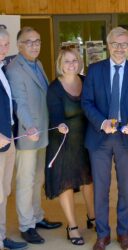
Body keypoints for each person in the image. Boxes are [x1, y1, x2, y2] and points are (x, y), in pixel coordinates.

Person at [81, 27, 128, 250]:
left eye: (124, 44)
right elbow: (87, 102)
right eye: (115, 44)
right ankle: (103, 234)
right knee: (101, 188)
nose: (120, 49)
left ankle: (123, 232)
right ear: (108, 45)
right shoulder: (95, 70)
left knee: (126, 189)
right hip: (99, 138)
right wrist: (102, 123)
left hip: (126, 138)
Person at [7, 26, 62, 245]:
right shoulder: (14, 69)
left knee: (38, 178)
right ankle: (26, 225)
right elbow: (19, 102)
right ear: (19, 45)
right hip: (28, 133)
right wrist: (29, 126)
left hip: (42, 131)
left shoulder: (37, 64)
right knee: (26, 181)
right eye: (29, 42)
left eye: (37, 41)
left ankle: (37, 217)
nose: (35, 45)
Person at [45, 46, 95, 245]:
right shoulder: (54, 88)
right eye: (66, 61)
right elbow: (56, 116)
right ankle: (72, 226)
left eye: (74, 60)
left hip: (86, 140)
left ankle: (92, 217)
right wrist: (61, 125)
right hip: (63, 142)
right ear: (60, 64)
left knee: (89, 182)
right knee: (66, 184)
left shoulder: (86, 81)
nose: (71, 64)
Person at [0, 26, 29, 250]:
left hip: (8, 139)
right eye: (0, 45)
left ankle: (0, 238)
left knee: (4, 192)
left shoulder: (3, 69)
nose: (4, 49)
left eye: (6, 44)